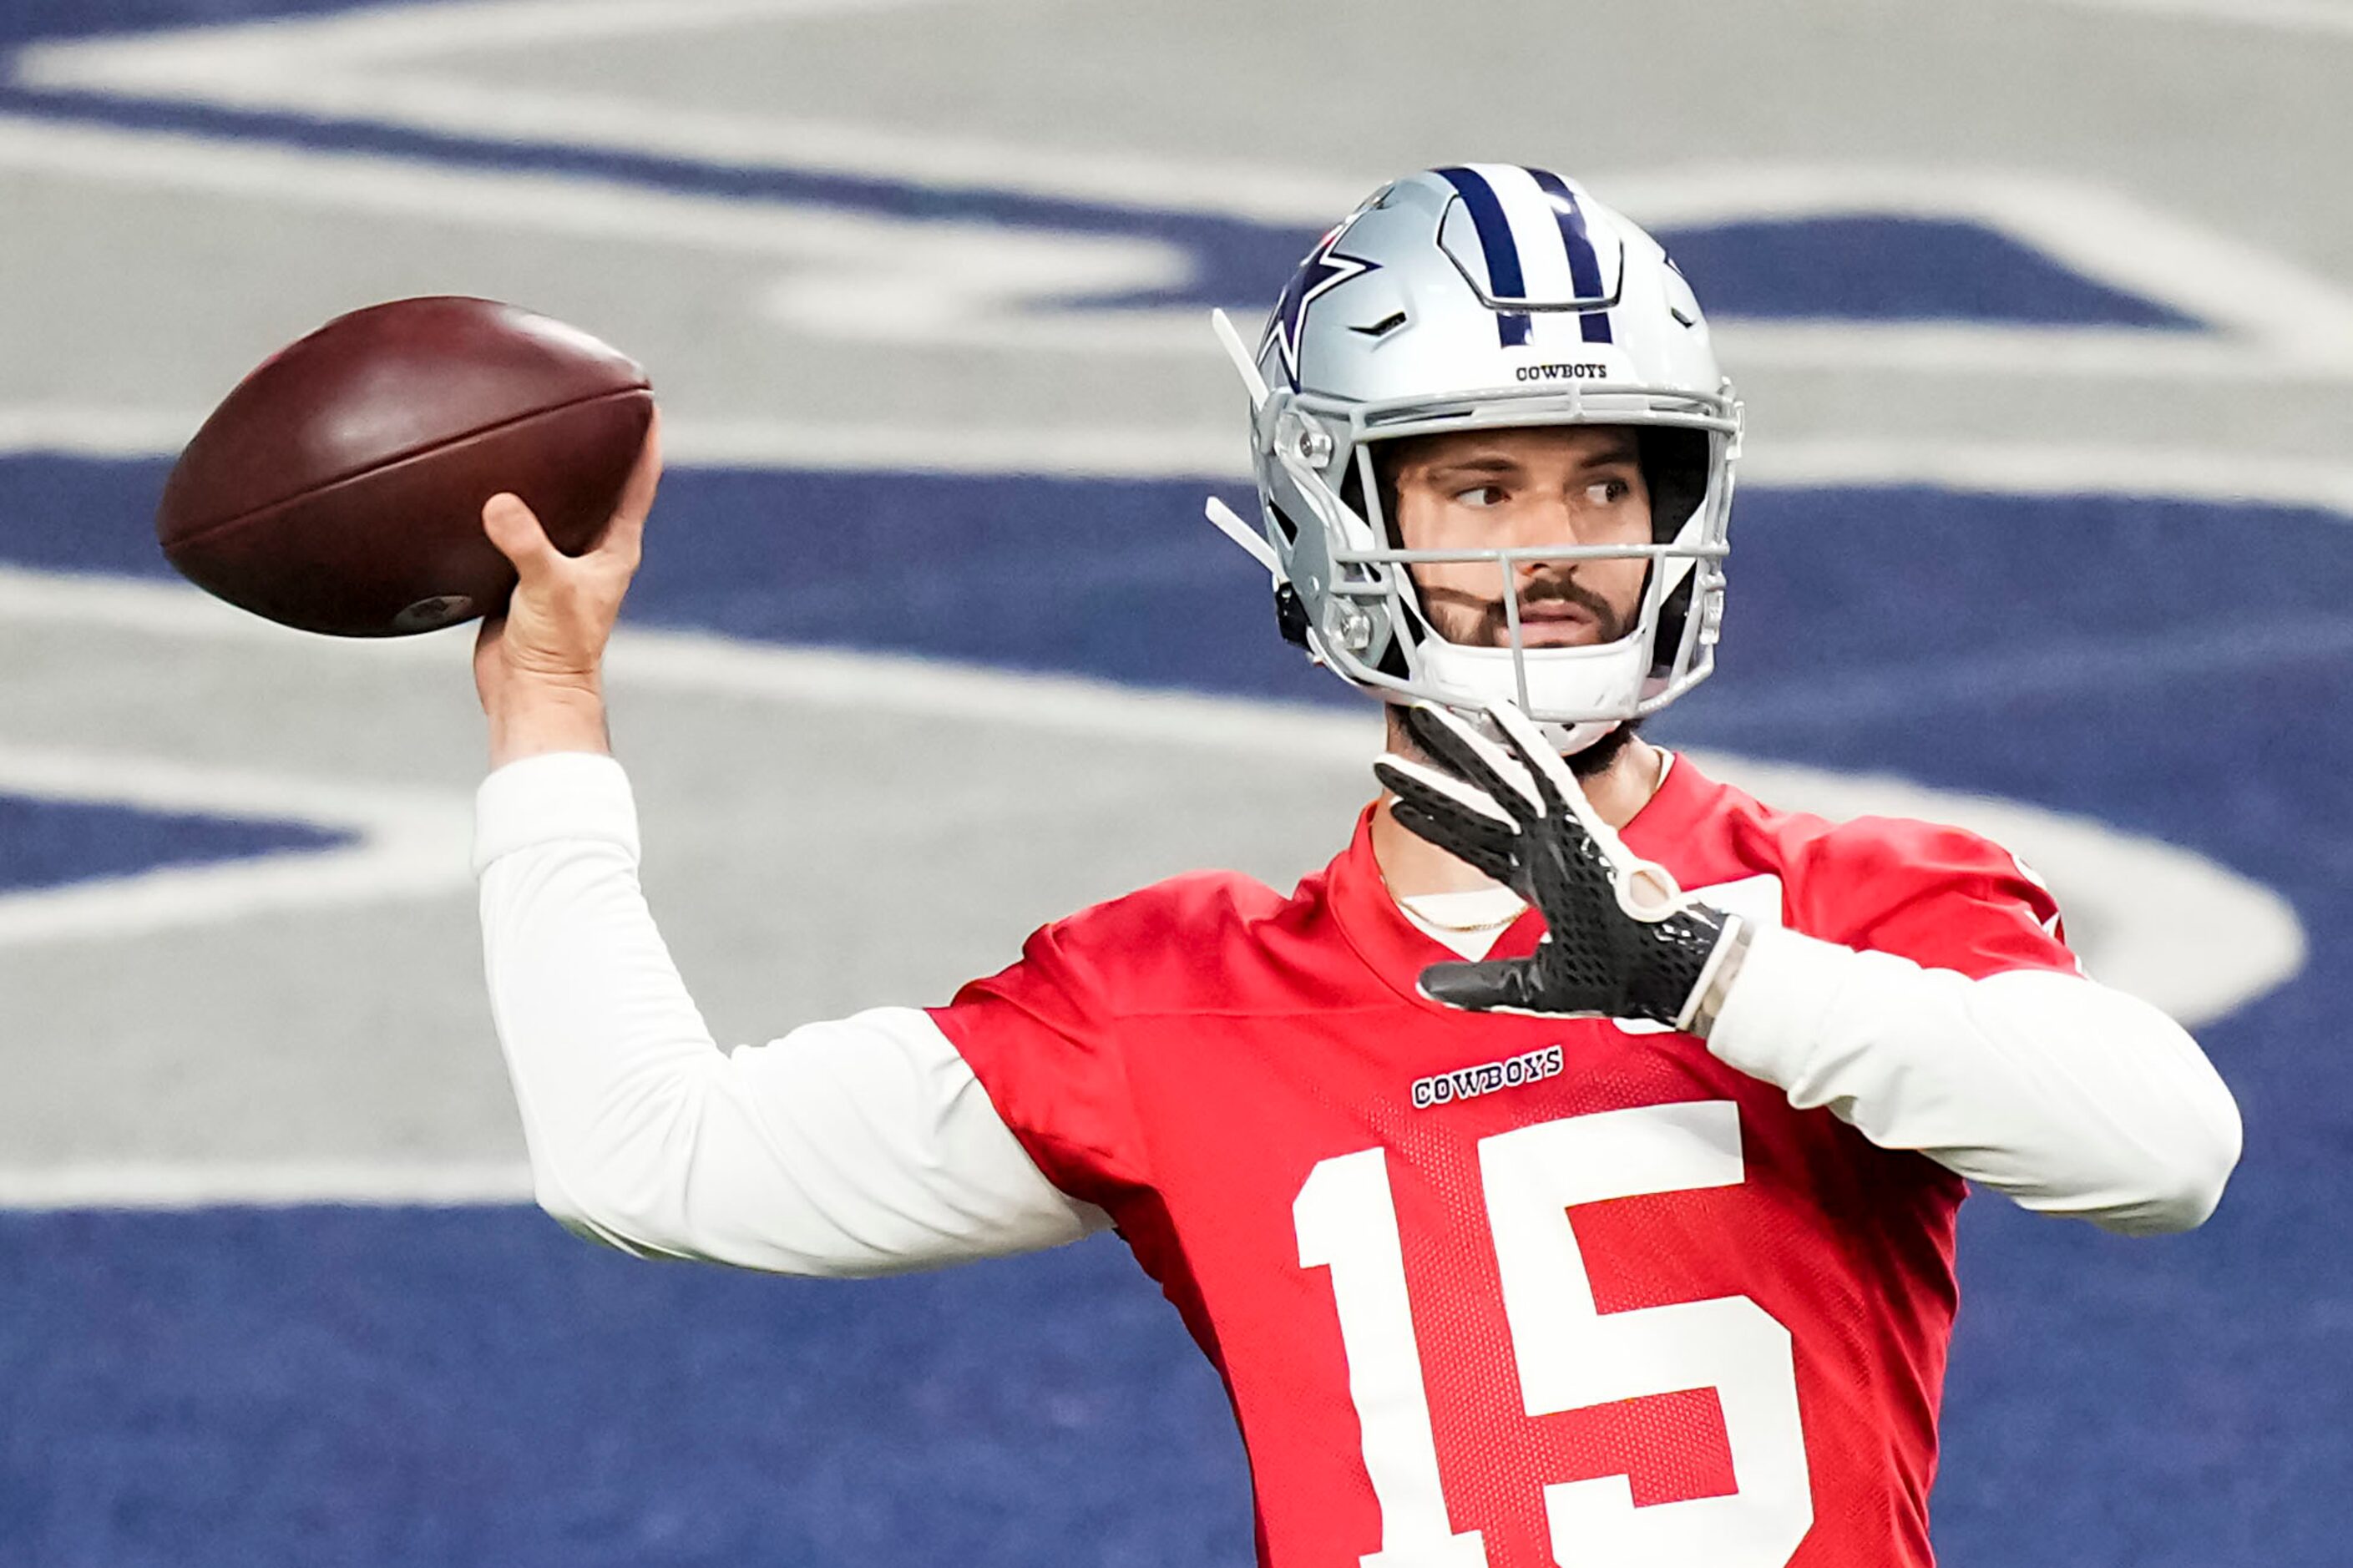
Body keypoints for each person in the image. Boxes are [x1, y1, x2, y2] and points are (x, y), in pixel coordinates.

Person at [469, 165, 2241, 1568]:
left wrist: (1702, 969)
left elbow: (2161, 1152)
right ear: (1339, 515)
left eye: (1602, 484)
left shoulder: (1849, 900)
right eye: (1475, 490)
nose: (1552, 550)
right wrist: (546, 710)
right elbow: (654, 1159)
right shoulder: (1170, 1001)